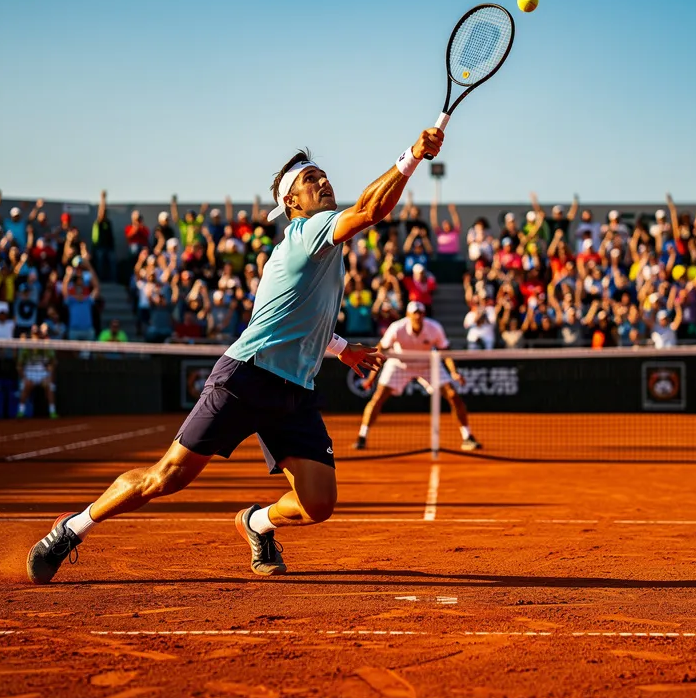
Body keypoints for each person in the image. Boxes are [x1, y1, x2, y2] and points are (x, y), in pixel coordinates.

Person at [25, 127, 440, 584]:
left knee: (318, 504)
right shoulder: (306, 233)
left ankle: (256, 523)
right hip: (247, 377)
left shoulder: (323, 247)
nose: (324, 182)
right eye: (312, 179)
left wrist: (341, 350)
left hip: (295, 392)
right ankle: (71, 529)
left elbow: (301, 316)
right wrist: (412, 155)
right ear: (292, 205)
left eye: (324, 175)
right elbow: (370, 210)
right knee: (166, 478)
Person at [354, 301, 481, 451]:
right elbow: (381, 350)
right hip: (399, 364)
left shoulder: (434, 328)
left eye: (420, 313)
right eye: (414, 313)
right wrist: (371, 378)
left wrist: (453, 372)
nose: (418, 316)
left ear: (424, 315)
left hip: (427, 364)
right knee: (378, 397)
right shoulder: (397, 327)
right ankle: (362, 436)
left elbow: (445, 352)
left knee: (453, 395)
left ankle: (467, 437)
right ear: (408, 315)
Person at [16, 324, 59, 419]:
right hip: (29, 372)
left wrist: (50, 376)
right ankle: (21, 411)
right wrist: (24, 378)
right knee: (26, 386)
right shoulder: (25, 348)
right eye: (34, 335)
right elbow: (19, 365)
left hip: (43, 373)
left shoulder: (46, 346)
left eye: (38, 335)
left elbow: (53, 362)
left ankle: (52, 411)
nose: (36, 337)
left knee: (49, 387)